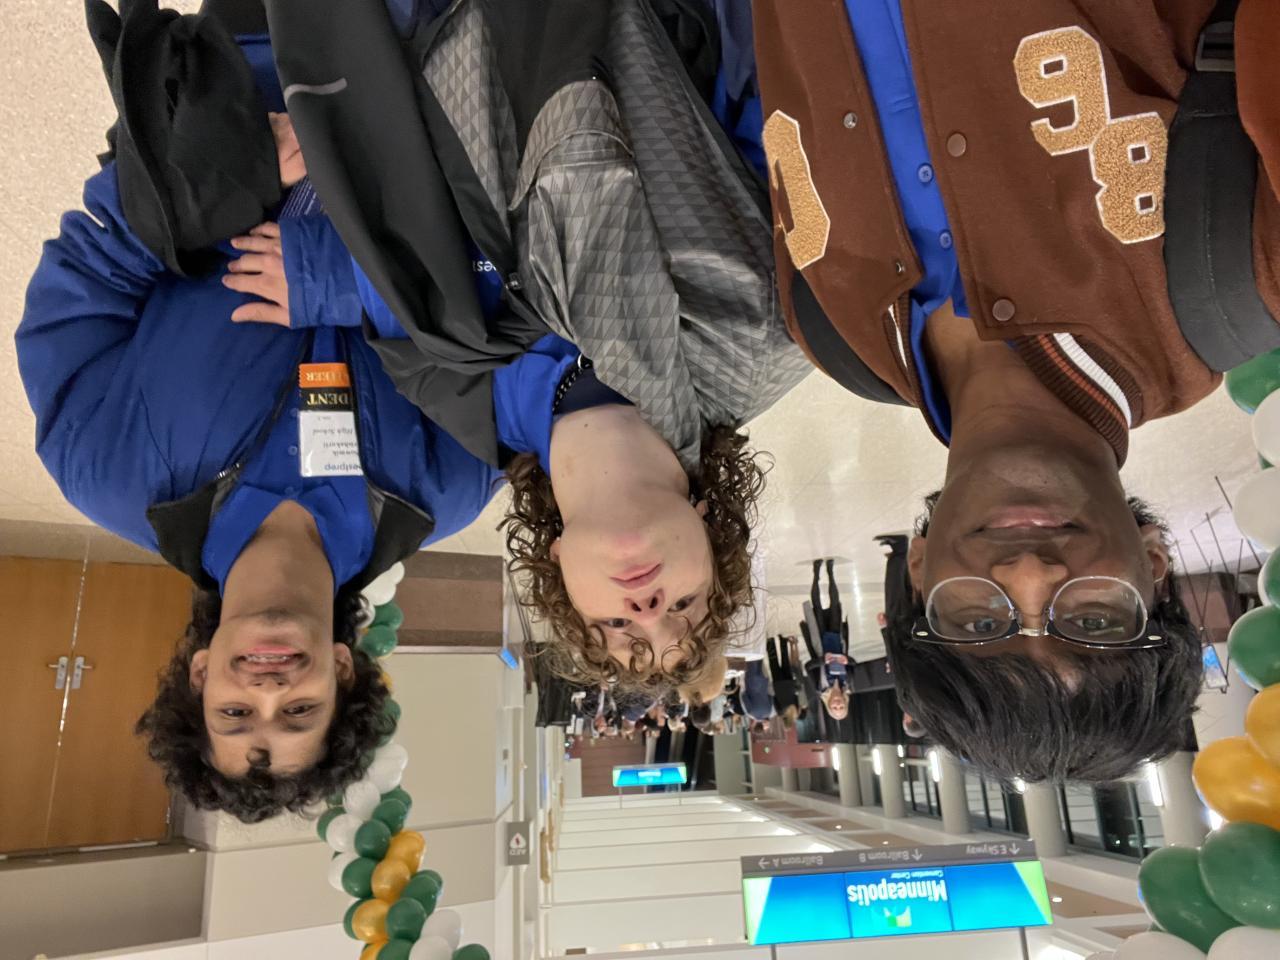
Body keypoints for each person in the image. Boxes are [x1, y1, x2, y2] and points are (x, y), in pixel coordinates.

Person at [15, 3, 544, 821]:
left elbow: (89, 268)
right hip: (434, 70)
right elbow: (517, 293)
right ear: (344, 672)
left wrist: (223, 175)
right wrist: (358, 284)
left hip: (252, 49)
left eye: (235, 713)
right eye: (299, 711)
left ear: (198, 674)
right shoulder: (451, 484)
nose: (268, 689)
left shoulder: (103, 469)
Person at [751, 1, 1278, 780]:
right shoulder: (1243, 269)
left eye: (978, 625)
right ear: (1155, 568)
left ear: (919, 574)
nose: (1030, 575)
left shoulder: (835, 333)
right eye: (1092, 621)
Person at [267, 0, 812, 695]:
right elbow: (778, 95)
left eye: (617, 625)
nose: (648, 609)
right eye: (685, 604)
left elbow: (389, 231)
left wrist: (326, 273)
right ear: (710, 533)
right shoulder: (765, 334)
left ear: (557, 569)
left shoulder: (460, 400)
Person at [766, 636, 804, 728]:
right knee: (773, 662)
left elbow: (796, 696)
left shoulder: (796, 711)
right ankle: (770, 642)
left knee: (785, 661)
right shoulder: (780, 712)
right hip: (778, 685)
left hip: (789, 684)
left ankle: (783, 641)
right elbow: (774, 698)